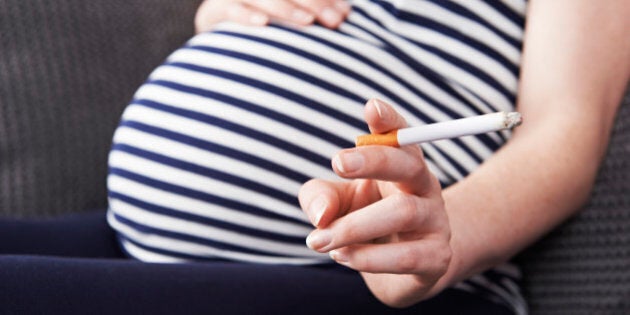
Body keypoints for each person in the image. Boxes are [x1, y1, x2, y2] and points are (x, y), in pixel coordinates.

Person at [1, 0, 628, 314]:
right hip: (139, 233)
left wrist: (442, 239)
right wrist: (221, 16)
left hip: (399, 281)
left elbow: (562, 138)